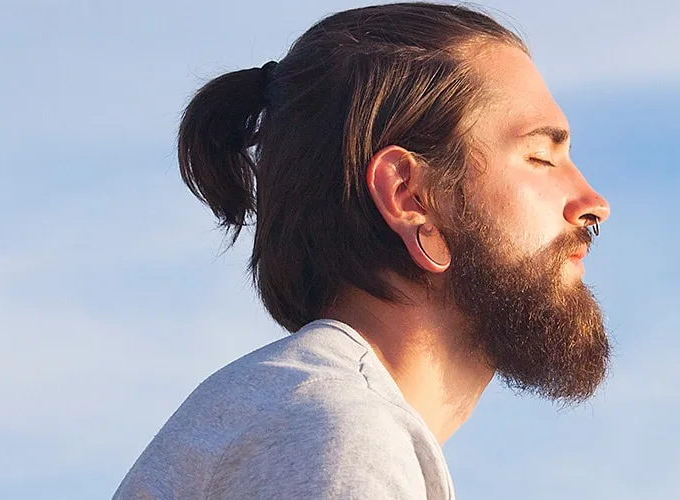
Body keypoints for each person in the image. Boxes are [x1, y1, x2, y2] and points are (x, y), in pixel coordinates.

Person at [114, 3, 611, 499]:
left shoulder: (300, 416)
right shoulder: (336, 432)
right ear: (410, 198)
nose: (594, 204)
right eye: (541, 158)